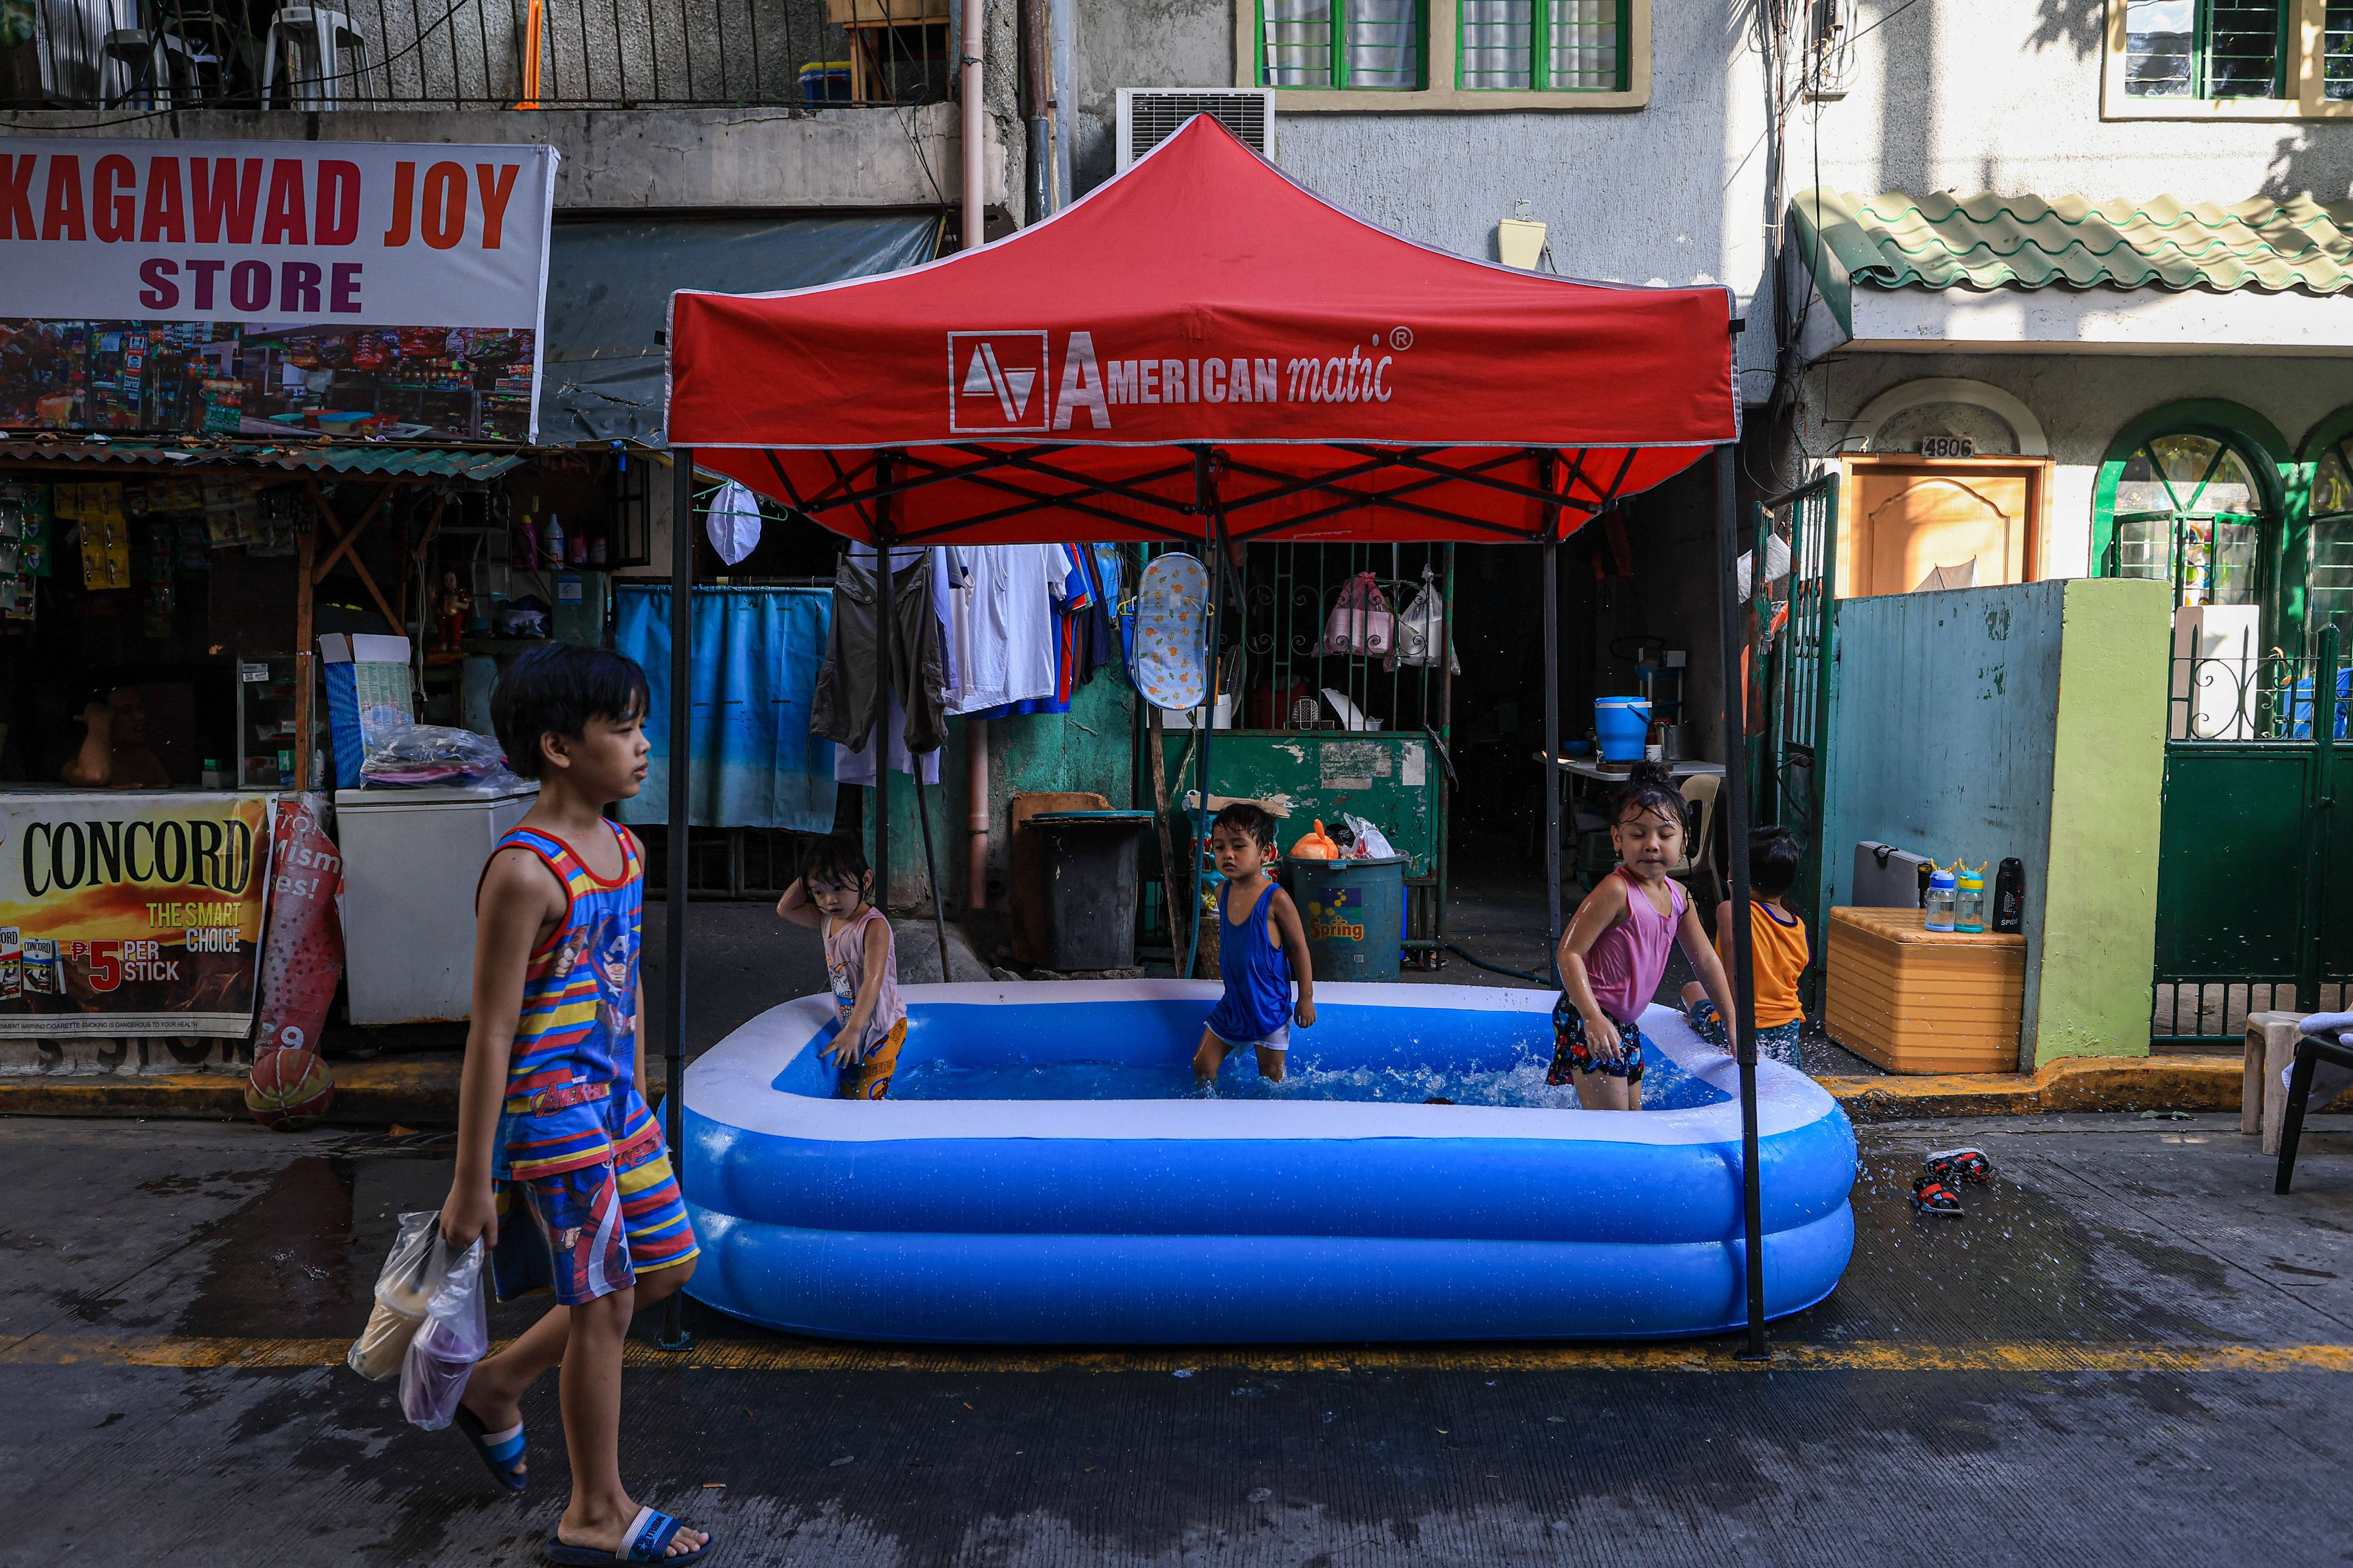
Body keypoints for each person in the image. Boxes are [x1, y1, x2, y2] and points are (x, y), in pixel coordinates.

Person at [435, 643, 712, 1566]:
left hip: (617, 1104)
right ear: (558, 745)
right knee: (606, 1303)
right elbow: (492, 1032)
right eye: (624, 729)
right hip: (552, 1115)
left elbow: (619, 985)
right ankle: (596, 1509)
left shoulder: (625, 847)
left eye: (641, 726)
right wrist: (473, 1182)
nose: (642, 747)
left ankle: (498, 1381)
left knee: (668, 1268)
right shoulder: (523, 871)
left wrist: (640, 1094)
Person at [1552, 760, 1740, 1111]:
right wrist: (1591, 1017)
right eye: (1638, 834)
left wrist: (1731, 1020)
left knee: (1633, 1118)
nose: (1651, 845)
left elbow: (1705, 960)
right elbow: (1569, 954)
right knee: (1613, 1128)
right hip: (1590, 1014)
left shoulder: (1680, 897)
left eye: (1664, 835)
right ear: (1617, 839)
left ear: (1685, 840)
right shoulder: (1615, 890)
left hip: (1623, 1021)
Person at [1192, 801, 1316, 1086]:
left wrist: (1306, 998)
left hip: (1267, 1006)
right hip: (1233, 1006)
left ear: (1265, 853)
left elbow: (1299, 948)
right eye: (1220, 847)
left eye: (1238, 846)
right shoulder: (1222, 892)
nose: (1228, 855)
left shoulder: (1276, 899)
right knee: (1202, 1065)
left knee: (1272, 1076)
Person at [776, 834, 905, 1100]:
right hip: (853, 1026)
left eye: (838, 888)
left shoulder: (873, 927)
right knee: (847, 1094)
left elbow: (873, 980)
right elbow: (785, 909)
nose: (829, 901)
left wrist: (854, 1029)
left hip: (883, 1029)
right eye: (819, 892)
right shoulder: (826, 919)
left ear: (865, 881)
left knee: (867, 1101)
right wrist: (810, 874)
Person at [1682, 825, 1810, 1070]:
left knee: (1692, 989)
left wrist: (1732, 1026)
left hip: (1741, 1028)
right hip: (1787, 1028)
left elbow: (1733, 978)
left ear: (1741, 878)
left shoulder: (1731, 912)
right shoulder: (1799, 926)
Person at [61, 685, 171, 789]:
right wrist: (97, 719)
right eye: (126, 711)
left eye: (140, 708)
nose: (140, 717)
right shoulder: (74, 761)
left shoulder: (146, 759)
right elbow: (93, 776)